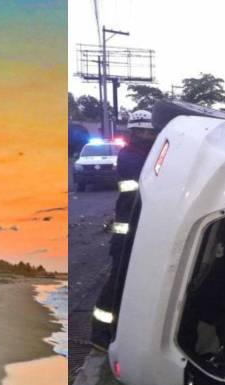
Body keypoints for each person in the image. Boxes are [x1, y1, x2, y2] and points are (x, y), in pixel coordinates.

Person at [91, 110, 159, 350]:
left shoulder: (149, 153)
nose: (148, 136)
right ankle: (100, 333)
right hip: (128, 231)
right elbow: (150, 181)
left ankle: (123, 327)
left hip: (143, 229)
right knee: (118, 279)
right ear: (135, 132)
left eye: (152, 132)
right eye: (144, 132)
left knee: (135, 281)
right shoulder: (130, 156)